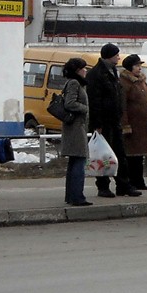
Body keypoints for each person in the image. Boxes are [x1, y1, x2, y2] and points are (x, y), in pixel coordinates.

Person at [86, 43, 140, 198]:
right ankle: (103, 186)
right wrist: (97, 124)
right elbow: (95, 101)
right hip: (103, 123)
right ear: (109, 56)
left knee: (119, 154)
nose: (118, 57)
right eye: (116, 54)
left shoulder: (113, 71)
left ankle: (123, 184)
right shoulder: (96, 74)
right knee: (104, 155)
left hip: (114, 120)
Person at [120, 53, 147, 191]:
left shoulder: (142, 82)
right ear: (130, 67)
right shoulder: (125, 83)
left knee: (140, 156)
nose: (139, 68)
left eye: (139, 65)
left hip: (144, 126)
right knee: (132, 156)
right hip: (134, 126)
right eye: (136, 65)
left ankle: (139, 181)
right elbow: (122, 106)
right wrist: (126, 125)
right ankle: (132, 181)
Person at [60, 57, 92, 206]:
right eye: (83, 68)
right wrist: (85, 109)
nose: (85, 70)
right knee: (79, 160)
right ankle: (77, 196)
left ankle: (71, 195)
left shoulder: (76, 83)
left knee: (75, 161)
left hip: (76, 126)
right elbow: (70, 103)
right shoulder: (74, 83)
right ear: (77, 70)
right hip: (75, 127)